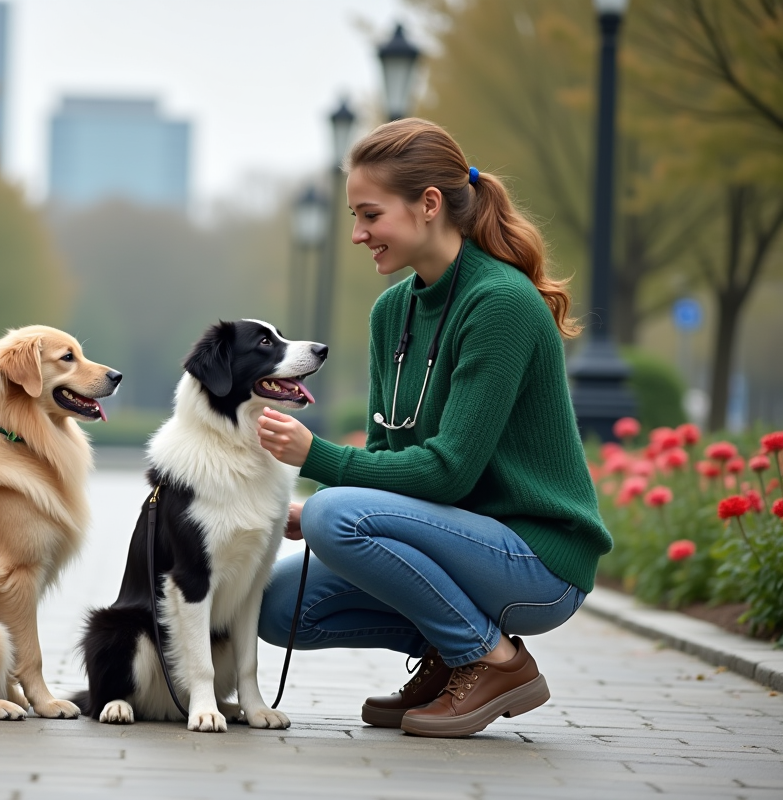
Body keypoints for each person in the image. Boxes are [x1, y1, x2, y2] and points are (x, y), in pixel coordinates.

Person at [255, 118, 612, 738]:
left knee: (336, 514)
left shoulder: (501, 303)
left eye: (370, 215)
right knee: (276, 606)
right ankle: (452, 657)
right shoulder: (392, 310)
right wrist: (312, 509)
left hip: (537, 562)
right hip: (457, 545)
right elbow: (397, 456)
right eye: (354, 216)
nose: (358, 234)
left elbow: (448, 473)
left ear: (428, 205)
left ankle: (492, 659)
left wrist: (319, 463)